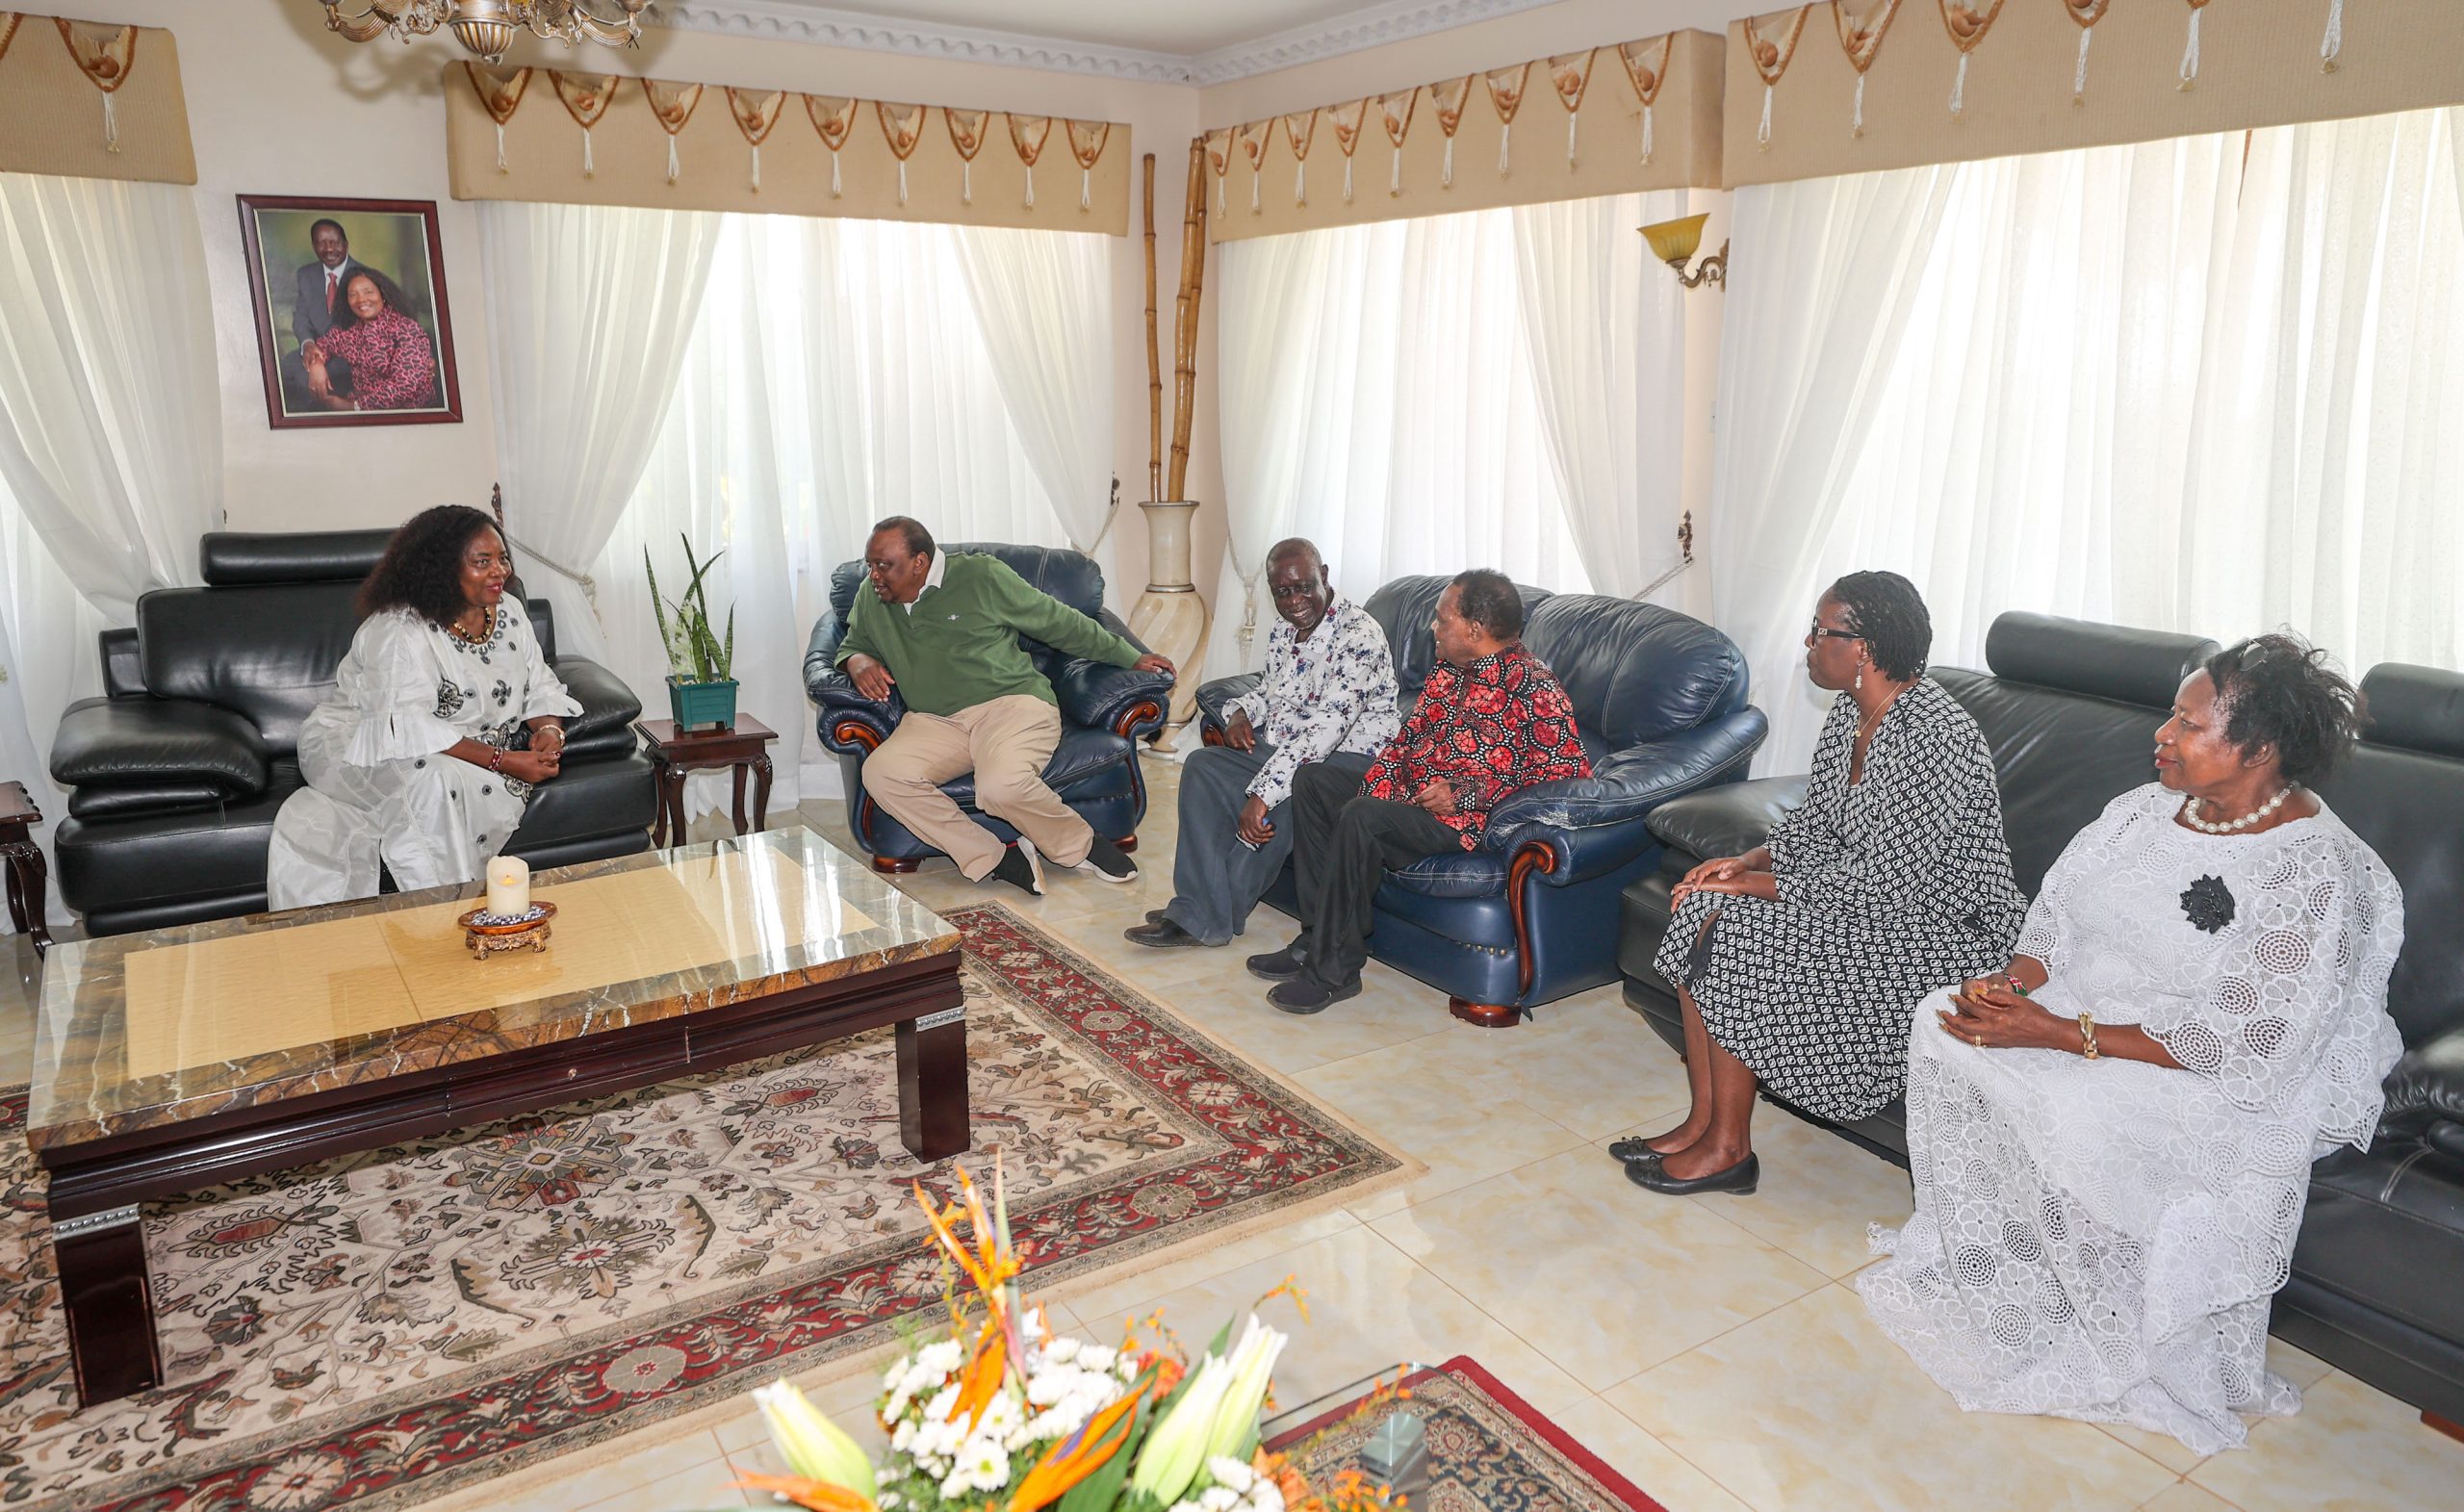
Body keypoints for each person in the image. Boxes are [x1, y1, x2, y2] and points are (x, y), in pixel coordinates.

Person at [1860, 635, 2403, 1456]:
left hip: (2209, 1067)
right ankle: (2021, 1267)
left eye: (2187, 724)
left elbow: (2245, 1043)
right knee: (1944, 1022)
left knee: (2079, 1108)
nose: (2162, 736)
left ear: (2256, 749)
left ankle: (2111, 1320)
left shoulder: (2316, 875)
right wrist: (2014, 985)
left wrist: (2055, 1034)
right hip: (2089, 1008)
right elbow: (2055, 919)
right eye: (2170, 717)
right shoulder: (2143, 807)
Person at [1622, 572, 2023, 1195]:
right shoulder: (1852, 713)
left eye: (1820, 631)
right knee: (1701, 904)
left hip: (1943, 930)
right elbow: (1814, 824)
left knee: (1735, 930)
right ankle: (1702, 1123)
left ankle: (1729, 1148)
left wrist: (1749, 891)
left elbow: (1887, 882)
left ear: (1861, 648)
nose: (1808, 642)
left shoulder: (1935, 735)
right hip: (1875, 898)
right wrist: (1747, 863)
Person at [1247, 568, 1589, 1014]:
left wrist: (1466, 792)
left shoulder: (1533, 687)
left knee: (1361, 818)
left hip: (1457, 821)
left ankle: (1332, 971)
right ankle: (1316, 937)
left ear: (1474, 628)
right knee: (1315, 780)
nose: (1434, 627)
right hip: (1408, 794)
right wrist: (1376, 786)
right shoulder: (1449, 671)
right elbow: (1405, 740)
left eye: (1441, 619)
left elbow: (1566, 776)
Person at [836, 517, 1175, 896]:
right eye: (870, 564)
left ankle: (1081, 845)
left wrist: (1128, 656)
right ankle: (993, 857)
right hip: (935, 722)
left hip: (1011, 706)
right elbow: (853, 641)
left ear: (920, 563)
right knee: (882, 773)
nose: (874, 575)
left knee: (1000, 787)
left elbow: (1056, 621)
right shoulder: (873, 594)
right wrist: (857, 661)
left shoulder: (979, 575)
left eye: (884, 565)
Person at [266, 505, 578, 910]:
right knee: (434, 780)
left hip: (454, 750)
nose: (499, 571)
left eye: (502, 558)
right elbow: (407, 727)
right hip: (354, 741)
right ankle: (451, 915)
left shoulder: (511, 613)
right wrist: (505, 760)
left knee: (441, 775)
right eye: (482, 562)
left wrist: (549, 732)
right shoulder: (398, 630)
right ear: (443, 568)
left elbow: (540, 683)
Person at [1125, 539, 1399, 950]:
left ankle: (1203, 916)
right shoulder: (1285, 630)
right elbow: (1271, 691)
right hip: (1290, 750)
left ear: (1324, 576)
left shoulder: (1360, 637)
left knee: (1290, 796)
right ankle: (1199, 907)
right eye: (1283, 592)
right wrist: (1240, 712)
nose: (1295, 601)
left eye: (1304, 586)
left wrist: (1262, 793)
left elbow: (1324, 733)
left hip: (1347, 762)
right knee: (1202, 766)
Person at [298, 269, 437, 413]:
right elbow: (324, 345)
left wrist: (353, 407)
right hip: (360, 409)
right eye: (353, 295)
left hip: (408, 412)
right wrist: (316, 365)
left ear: (382, 295)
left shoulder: (407, 328)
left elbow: (405, 385)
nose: (361, 300)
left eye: (368, 292)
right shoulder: (350, 331)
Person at [282, 218, 369, 409]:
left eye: (334, 243)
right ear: (313, 246)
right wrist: (309, 345)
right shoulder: (305, 274)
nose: (328, 249)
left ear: (345, 245)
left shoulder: (364, 275)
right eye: (321, 243)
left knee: (306, 382)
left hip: (351, 354)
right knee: (280, 371)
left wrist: (318, 362)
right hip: (314, 350)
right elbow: (301, 318)